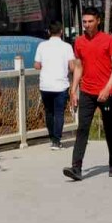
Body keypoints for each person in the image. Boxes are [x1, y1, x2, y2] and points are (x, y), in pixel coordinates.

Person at [63, 7, 112, 181]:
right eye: (85, 22)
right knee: (82, 128)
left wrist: (108, 87)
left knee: (109, 128)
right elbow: (78, 67)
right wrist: (74, 89)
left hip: (106, 92)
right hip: (87, 91)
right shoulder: (79, 42)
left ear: (98, 21)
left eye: (90, 21)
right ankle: (76, 167)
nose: (87, 25)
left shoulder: (108, 40)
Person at [34, 22, 74, 150]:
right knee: (59, 113)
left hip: (45, 85)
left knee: (49, 112)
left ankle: (52, 137)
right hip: (61, 85)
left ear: (48, 32)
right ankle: (57, 141)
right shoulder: (67, 46)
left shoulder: (42, 46)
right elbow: (72, 66)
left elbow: (37, 65)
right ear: (61, 32)